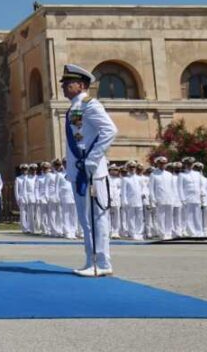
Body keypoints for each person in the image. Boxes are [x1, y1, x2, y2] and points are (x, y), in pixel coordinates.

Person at [61, 64, 118, 277]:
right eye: (64, 84)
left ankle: (102, 263)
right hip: (79, 171)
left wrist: (92, 160)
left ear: (82, 85)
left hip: (92, 171)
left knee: (97, 217)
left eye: (69, 84)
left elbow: (110, 131)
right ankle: (90, 259)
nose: (64, 87)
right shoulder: (75, 107)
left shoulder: (90, 105)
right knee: (85, 219)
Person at [150, 156, 176, 240]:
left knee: (169, 216)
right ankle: (162, 233)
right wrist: (153, 199)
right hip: (159, 198)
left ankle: (168, 233)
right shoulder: (153, 174)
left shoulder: (169, 174)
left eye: (164, 163)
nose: (162, 165)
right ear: (157, 164)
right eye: (161, 163)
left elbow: (173, 188)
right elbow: (151, 189)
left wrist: (174, 198)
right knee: (160, 217)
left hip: (169, 198)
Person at [178, 160, 203, 237]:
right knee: (189, 217)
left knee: (198, 216)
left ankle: (199, 232)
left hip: (196, 198)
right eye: (187, 164)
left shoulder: (197, 174)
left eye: (190, 164)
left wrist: (201, 196)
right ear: (185, 165)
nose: (189, 165)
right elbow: (180, 188)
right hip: (187, 198)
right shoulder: (182, 175)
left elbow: (200, 185)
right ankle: (192, 232)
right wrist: (182, 199)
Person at [121, 161, 145, 241]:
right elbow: (123, 191)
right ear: (127, 168)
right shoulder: (125, 179)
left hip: (139, 200)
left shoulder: (139, 178)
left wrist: (143, 194)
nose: (132, 169)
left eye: (134, 167)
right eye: (130, 167)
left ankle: (139, 233)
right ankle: (133, 233)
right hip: (130, 201)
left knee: (139, 217)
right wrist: (124, 201)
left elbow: (143, 188)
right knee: (131, 218)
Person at [57, 159, 78, 239]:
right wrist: (58, 197)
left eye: (68, 163)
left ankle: (73, 231)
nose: (67, 165)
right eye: (65, 163)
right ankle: (67, 231)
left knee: (74, 214)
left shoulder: (74, 173)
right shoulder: (59, 175)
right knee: (66, 214)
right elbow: (57, 187)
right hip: (64, 196)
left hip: (73, 196)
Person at [197, 162, 207, 237]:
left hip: (205, 199)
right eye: (197, 169)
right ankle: (199, 231)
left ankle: (206, 232)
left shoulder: (206, 179)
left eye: (199, 169)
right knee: (197, 216)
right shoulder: (193, 179)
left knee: (206, 217)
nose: (198, 170)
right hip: (196, 199)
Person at [108, 165, 122, 239]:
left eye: (116, 170)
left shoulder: (118, 180)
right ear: (109, 170)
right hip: (108, 200)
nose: (114, 171)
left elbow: (120, 190)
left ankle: (116, 232)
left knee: (117, 217)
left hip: (116, 200)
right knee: (108, 216)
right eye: (113, 170)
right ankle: (109, 231)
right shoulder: (107, 179)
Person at [14, 164, 28, 233]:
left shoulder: (29, 178)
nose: (24, 171)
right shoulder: (18, 178)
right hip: (22, 198)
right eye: (23, 169)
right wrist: (17, 199)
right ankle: (24, 228)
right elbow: (16, 190)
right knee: (23, 214)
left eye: (25, 169)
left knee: (29, 214)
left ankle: (29, 227)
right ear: (21, 170)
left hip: (29, 198)